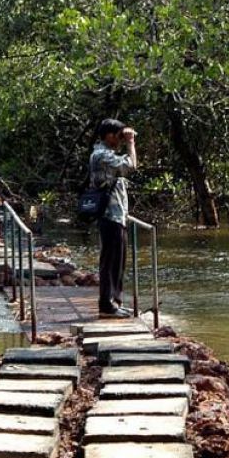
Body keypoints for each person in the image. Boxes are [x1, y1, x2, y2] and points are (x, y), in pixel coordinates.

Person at [90, 118, 138, 318]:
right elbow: (132, 165)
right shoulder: (101, 155)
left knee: (117, 261)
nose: (120, 140)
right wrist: (131, 143)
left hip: (117, 215)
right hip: (110, 215)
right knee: (110, 261)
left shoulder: (105, 154)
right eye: (118, 136)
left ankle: (114, 303)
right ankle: (107, 305)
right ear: (109, 135)